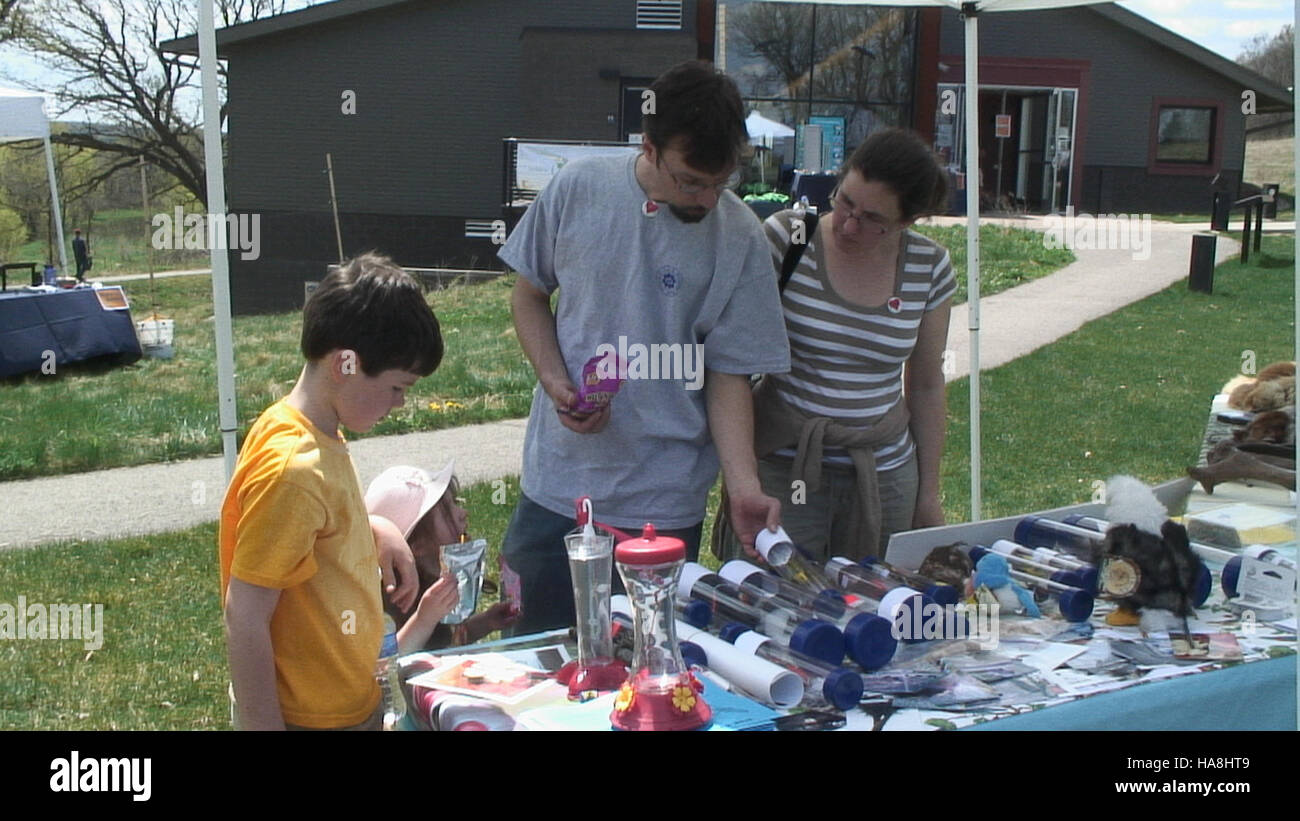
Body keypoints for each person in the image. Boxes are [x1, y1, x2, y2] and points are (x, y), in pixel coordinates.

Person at [497, 59, 790, 635]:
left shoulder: (741, 238)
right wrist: (558, 383)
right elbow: (527, 296)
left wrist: (745, 486)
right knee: (534, 663)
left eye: (720, 182)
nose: (706, 199)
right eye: (690, 180)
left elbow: (729, 377)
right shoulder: (579, 187)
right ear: (649, 146)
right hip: (557, 489)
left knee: (647, 677)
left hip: (663, 502)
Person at [219, 252, 443, 731]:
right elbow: (246, 614)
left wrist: (375, 528)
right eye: (397, 387)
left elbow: (319, 528)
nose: (400, 403)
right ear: (346, 362)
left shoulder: (313, 432)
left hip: (346, 704)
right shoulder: (294, 468)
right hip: (310, 720)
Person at [742, 128, 955, 563]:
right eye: (845, 201)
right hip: (788, 469)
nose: (849, 224)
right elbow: (734, 364)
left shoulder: (927, 266)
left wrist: (928, 493)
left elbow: (927, 386)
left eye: (873, 219)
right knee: (776, 605)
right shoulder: (789, 239)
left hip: (884, 476)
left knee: (879, 606)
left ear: (906, 222)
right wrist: (741, 475)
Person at [365, 461, 519, 654]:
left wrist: (485, 622)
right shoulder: (387, 606)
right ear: (417, 545)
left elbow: (447, 640)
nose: (463, 513)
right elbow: (387, 660)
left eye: (455, 503)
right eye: (447, 511)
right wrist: (424, 620)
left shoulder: (434, 580)